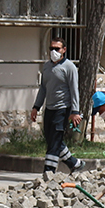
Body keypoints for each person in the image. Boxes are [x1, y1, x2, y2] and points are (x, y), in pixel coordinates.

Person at [29, 36, 82, 176]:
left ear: (64, 50)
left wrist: (75, 111)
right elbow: (43, 88)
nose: (54, 51)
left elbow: (74, 89)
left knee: (55, 141)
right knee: (51, 139)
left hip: (62, 109)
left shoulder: (69, 67)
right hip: (49, 108)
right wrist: (36, 107)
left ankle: (49, 172)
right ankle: (74, 163)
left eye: (57, 48)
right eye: (51, 48)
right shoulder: (46, 67)